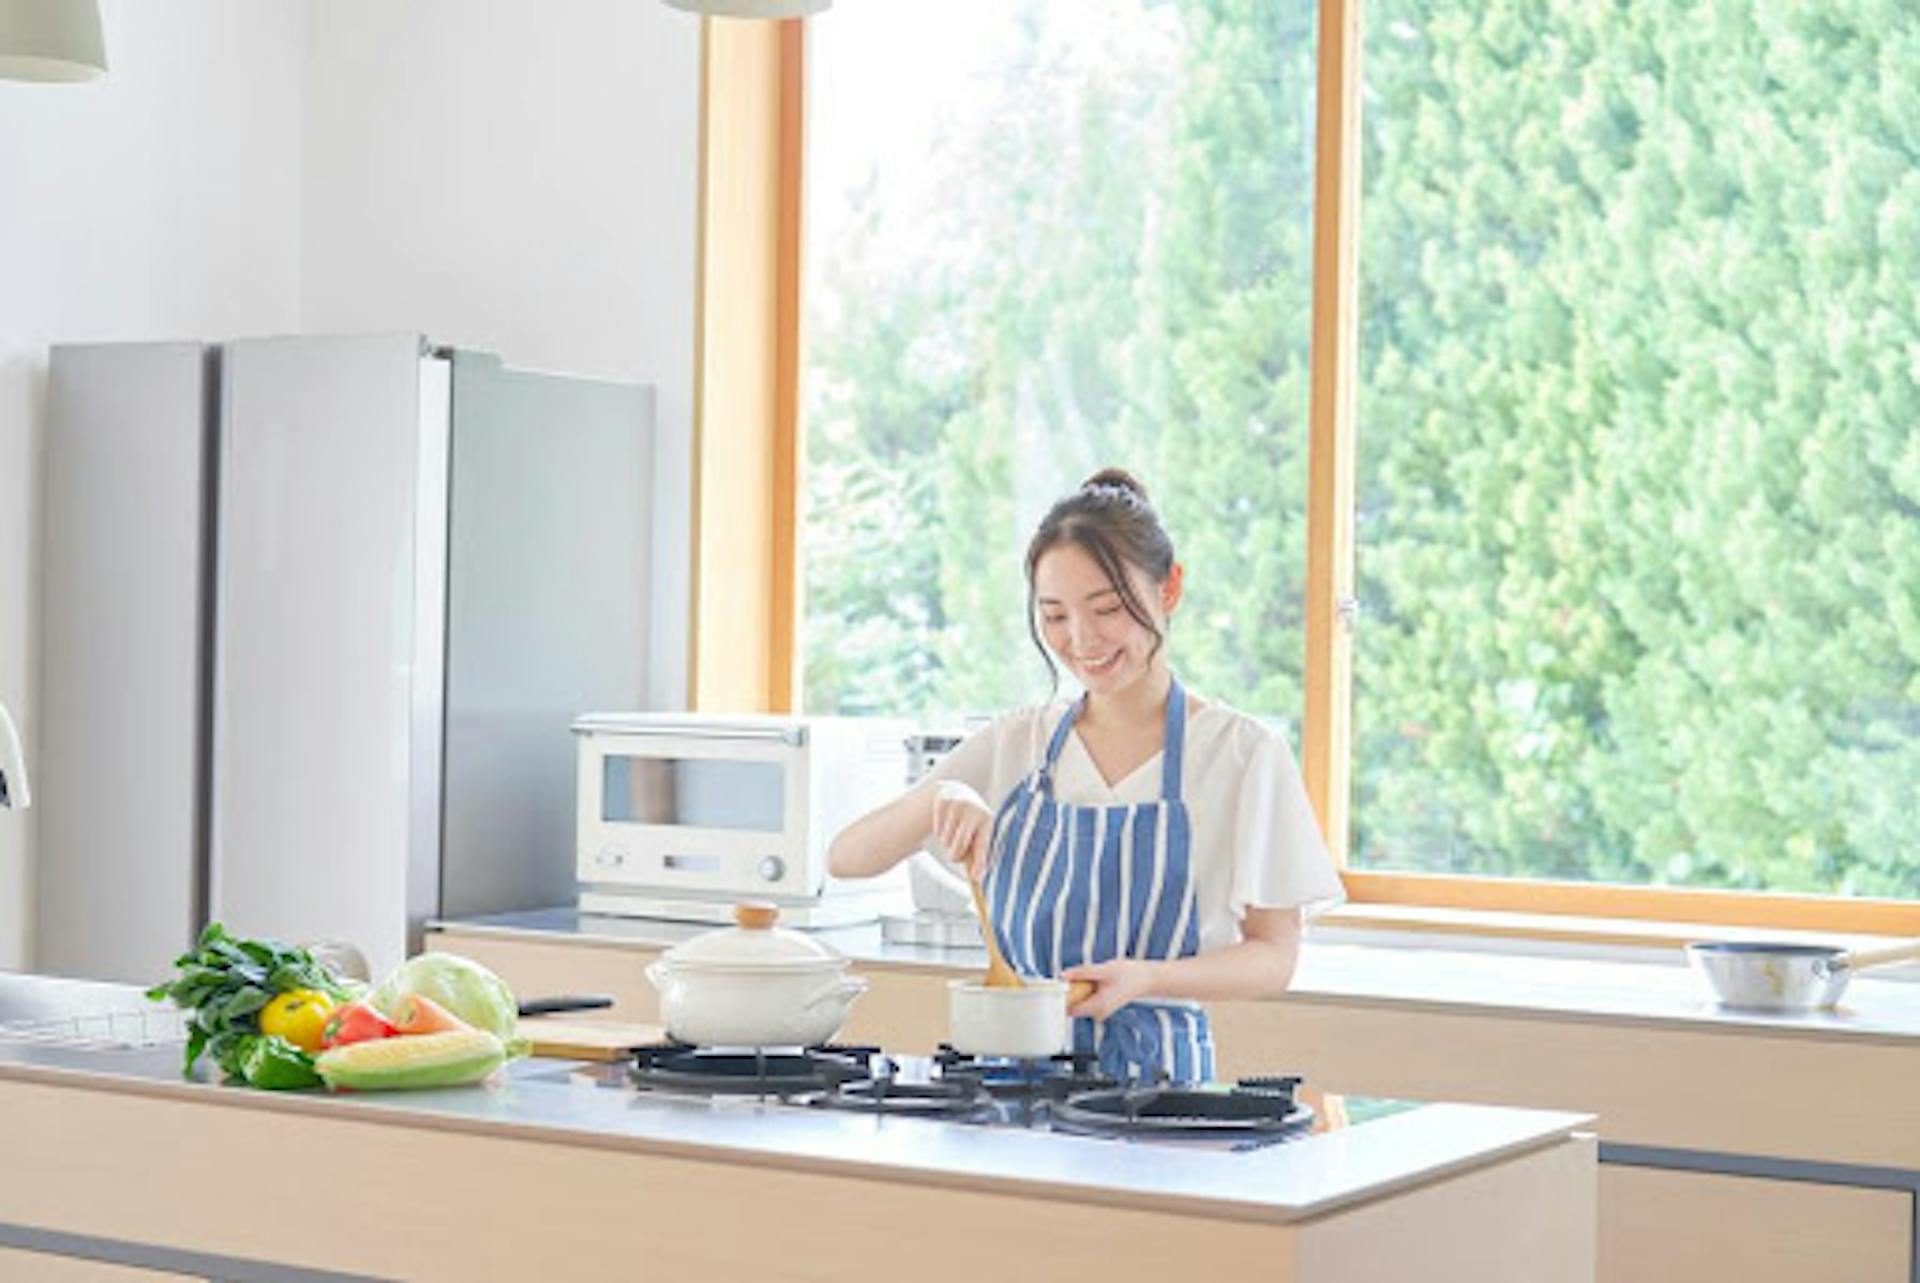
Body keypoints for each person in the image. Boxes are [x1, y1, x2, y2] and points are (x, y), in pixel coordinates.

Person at [827, 468, 1344, 1083]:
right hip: (1007, 1090)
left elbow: (1274, 957)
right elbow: (845, 858)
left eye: (1108, 609)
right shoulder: (1020, 743)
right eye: (1054, 616)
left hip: (1160, 1099)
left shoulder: (1240, 754)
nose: (1081, 640)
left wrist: (1148, 978)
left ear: (1170, 588)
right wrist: (944, 793)